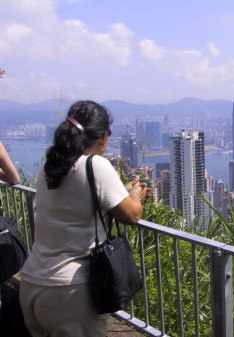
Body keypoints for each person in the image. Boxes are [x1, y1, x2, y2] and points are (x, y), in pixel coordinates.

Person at [19, 100, 149, 337]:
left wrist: (122, 192)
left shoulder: (51, 165)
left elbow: (77, 200)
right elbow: (132, 215)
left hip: (32, 284)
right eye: (108, 133)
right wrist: (136, 195)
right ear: (102, 137)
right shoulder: (95, 165)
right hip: (70, 292)